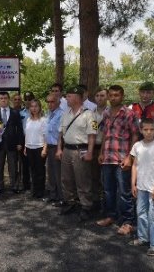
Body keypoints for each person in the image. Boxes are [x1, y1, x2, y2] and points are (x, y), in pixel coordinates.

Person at [96, 85, 139, 235]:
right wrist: (101, 152)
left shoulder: (129, 114)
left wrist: (130, 157)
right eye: (111, 95)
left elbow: (135, 136)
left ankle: (128, 222)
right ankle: (111, 216)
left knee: (124, 192)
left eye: (117, 95)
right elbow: (105, 135)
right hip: (107, 158)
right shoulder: (106, 113)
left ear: (122, 96)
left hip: (122, 159)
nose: (114, 98)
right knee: (108, 190)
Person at [129, 118, 154, 256]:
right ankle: (143, 237)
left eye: (152, 129)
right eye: (145, 129)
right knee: (141, 213)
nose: (148, 132)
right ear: (140, 130)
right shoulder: (137, 146)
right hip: (141, 187)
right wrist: (133, 183)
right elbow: (134, 165)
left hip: (153, 188)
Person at [56, 86, 97, 221]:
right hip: (67, 149)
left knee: (82, 179)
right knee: (66, 179)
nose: (66, 98)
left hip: (81, 150)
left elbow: (92, 135)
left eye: (69, 96)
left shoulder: (90, 114)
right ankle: (70, 203)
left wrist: (90, 152)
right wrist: (59, 149)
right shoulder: (65, 113)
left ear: (77, 98)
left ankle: (86, 206)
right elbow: (60, 133)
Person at [0, 91, 24, 195]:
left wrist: (19, 143)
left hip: (12, 143)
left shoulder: (15, 112)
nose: (3, 100)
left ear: (8, 99)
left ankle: (14, 186)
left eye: (5, 98)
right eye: (1, 98)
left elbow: (19, 129)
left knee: (13, 166)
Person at [24, 99, 47, 199]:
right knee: (32, 170)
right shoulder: (28, 120)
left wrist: (44, 149)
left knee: (40, 170)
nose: (34, 108)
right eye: (32, 106)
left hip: (39, 148)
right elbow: (27, 134)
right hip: (29, 148)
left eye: (36, 106)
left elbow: (46, 136)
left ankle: (41, 191)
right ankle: (34, 190)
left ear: (39, 107)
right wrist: (25, 146)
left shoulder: (43, 120)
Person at [91, 86, 108, 211]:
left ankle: (107, 204)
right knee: (94, 176)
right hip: (94, 147)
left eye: (102, 95)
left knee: (106, 178)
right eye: (97, 96)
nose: (99, 98)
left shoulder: (111, 112)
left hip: (108, 149)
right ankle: (95, 202)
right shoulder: (91, 113)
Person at [45, 93, 64, 205]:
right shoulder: (49, 114)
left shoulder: (61, 114)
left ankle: (61, 198)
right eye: (48, 102)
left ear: (58, 102)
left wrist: (59, 148)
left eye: (52, 102)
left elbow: (60, 133)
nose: (50, 104)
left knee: (58, 173)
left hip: (57, 147)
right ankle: (53, 195)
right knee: (51, 172)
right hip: (50, 146)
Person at [19, 91, 35, 192]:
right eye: (26, 99)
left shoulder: (38, 112)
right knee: (24, 164)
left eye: (30, 99)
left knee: (35, 164)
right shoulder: (21, 112)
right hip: (24, 139)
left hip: (35, 139)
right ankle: (26, 185)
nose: (28, 101)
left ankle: (35, 184)